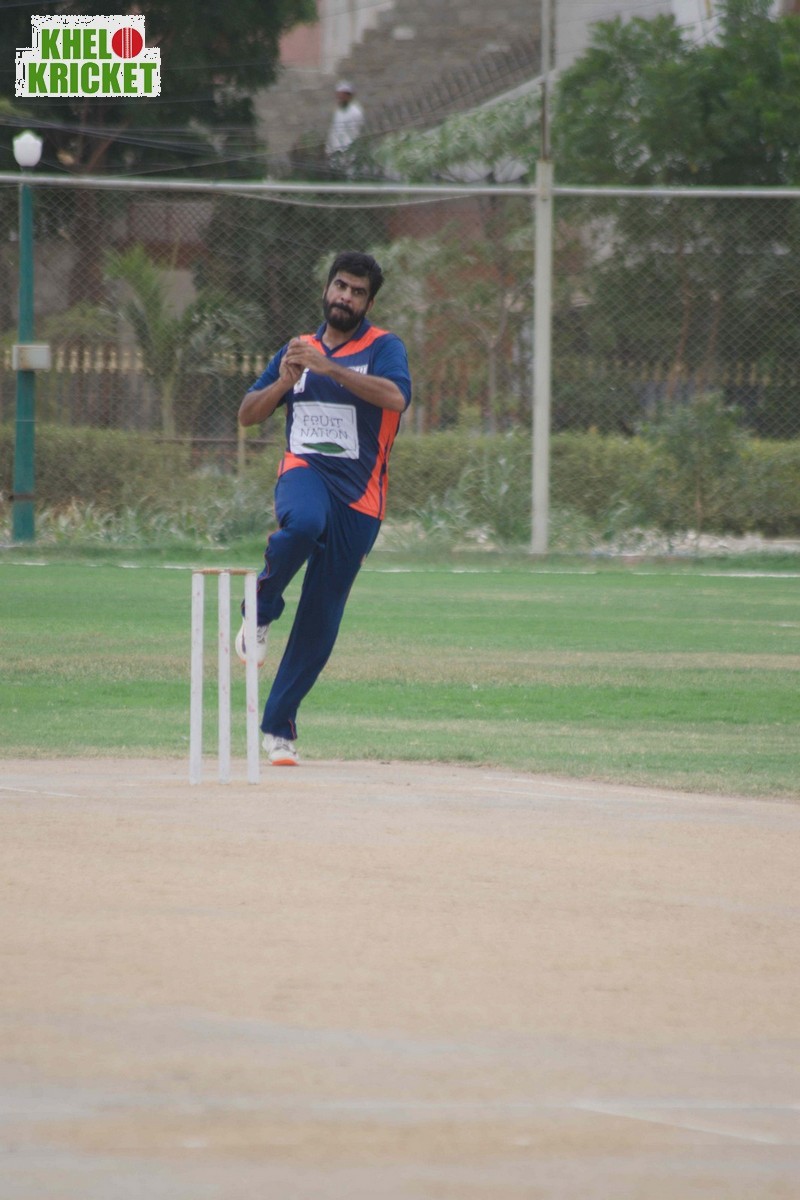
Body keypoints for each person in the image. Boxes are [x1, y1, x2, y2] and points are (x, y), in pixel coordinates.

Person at [236, 251, 412, 767]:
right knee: (303, 524)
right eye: (340, 286)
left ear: (368, 304)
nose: (346, 297)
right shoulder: (296, 348)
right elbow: (247, 414)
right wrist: (284, 382)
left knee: (321, 617)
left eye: (358, 292)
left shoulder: (383, 347)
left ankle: (278, 728)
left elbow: (396, 398)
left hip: (360, 499)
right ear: (327, 288)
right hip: (305, 472)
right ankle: (260, 609)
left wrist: (329, 368)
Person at [324, 80, 365, 164]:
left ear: (348, 96)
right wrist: (329, 148)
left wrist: (347, 149)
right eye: (338, 95)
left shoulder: (355, 111)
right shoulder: (338, 110)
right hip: (335, 150)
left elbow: (354, 132)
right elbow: (334, 130)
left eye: (342, 95)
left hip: (347, 151)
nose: (339, 97)